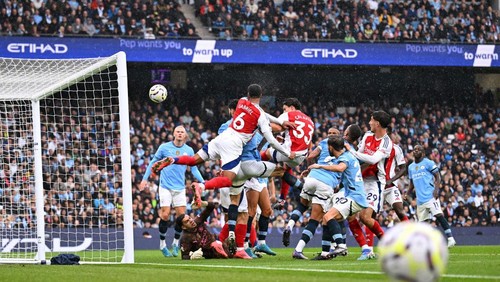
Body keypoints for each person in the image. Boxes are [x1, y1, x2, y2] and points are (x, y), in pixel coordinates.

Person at [152, 84, 295, 207]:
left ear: (248, 94)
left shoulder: (242, 101)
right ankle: (201, 187)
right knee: (227, 180)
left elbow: (262, 113)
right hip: (233, 146)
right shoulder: (260, 117)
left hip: (222, 138)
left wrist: (281, 122)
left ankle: (172, 159)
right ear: (261, 95)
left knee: (193, 160)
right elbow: (271, 139)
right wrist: (287, 153)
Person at [139, 126, 205, 257]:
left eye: (182, 132)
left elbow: (194, 169)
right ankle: (162, 244)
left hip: (179, 188)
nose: (180, 134)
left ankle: (175, 243)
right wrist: (144, 179)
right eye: (177, 132)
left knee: (182, 219)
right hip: (165, 186)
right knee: (165, 215)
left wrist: (203, 182)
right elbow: (153, 162)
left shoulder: (189, 150)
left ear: (185, 135)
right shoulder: (164, 147)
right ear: (174, 133)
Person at [280, 127, 339, 252]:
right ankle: (300, 250)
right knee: (316, 219)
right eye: (330, 133)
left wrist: (310, 169)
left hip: (312, 178)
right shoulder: (345, 147)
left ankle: (289, 225)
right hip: (326, 183)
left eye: (333, 133)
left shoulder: (323, 143)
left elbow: (309, 157)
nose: (331, 135)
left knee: (302, 205)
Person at [344, 110, 392, 260]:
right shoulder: (367, 136)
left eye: (371, 120)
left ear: (377, 123)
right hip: (360, 180)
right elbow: (359, 156)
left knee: (365, 217)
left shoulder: (386, 142)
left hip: (375, 182)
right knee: (350, 216)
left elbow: (373, 159)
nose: (369, 123)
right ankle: (366, 250)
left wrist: (351, 151)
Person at [313, 134, 368, 260]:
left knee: (328, 216)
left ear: (331, 148)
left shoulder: (345, 158)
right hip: (351, 194)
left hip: (355, 197)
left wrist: (319, 166)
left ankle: (341, 245)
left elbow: (340, 168)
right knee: (326, 219)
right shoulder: (348, 155)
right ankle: (325, 253)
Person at [261, 98, 314, 199]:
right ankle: (282, 199)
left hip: (290, 152)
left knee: (267, 153)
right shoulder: (310, 120)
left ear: (292, 108)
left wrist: (261, 125)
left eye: (285, 109)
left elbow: (278, 128)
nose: (283, 112)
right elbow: (309, 144)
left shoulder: (289, 115)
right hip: (301, 156)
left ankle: (252, 170)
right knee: (286, 168)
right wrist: (285, 140)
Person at [407, 144, 456, 248]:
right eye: (414, 149)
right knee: (422, 223)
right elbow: (411, 183)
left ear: (423, 153)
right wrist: (407, 193)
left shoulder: (428, 163)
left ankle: (450, 238)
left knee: (439, 215)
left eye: (418, 149)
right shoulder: (411, 167)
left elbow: (438, 177)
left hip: (430, 196)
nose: (415, 151)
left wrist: (436, 190)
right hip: (420, 199)